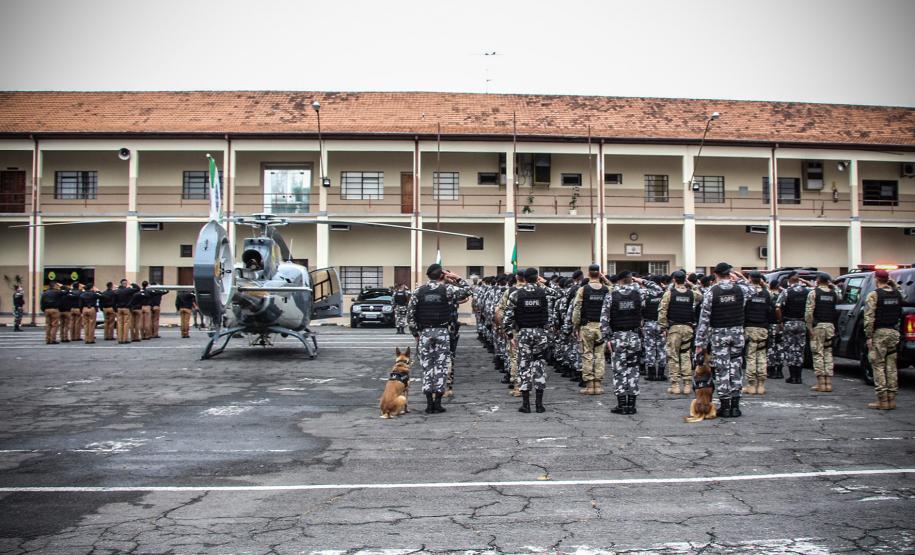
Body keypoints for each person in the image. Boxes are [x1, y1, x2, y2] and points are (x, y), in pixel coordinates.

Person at [407, 264, 471, 415]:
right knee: (441, 367)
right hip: (442, 331)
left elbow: (410, 316)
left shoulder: (418, 291)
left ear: (428, 276)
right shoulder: (447, 290)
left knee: (427, 367)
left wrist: (416, 334)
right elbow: (467, 291)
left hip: (425, 332)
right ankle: (438, 403)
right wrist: (457, 278)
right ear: (443, 275)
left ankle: (429, 404)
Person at [694, 263, 754, 418]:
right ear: (730, 274)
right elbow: (753, 289)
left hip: (719, 335)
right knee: (736, 369)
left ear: (715, 274)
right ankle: (735, 406)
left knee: (722, 370)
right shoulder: (741, 289)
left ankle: (725, 406)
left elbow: (704, 320)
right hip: (737, 334)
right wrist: (739, 278)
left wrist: (700, 344)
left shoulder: (711, 292)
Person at [600, 270, 662, 415]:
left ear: (619, 280)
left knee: (619, 371)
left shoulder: (611, 295)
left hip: (617, 337)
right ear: (630, 279)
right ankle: (632, 405)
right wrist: (640, 280)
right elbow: (658, 289)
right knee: (633, 370)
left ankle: (622, 405)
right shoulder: (639, 293)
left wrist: (607, 339)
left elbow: (604, 320)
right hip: (634, 336)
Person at [503, 267, 559, 413]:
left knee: (524, 366)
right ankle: (539, 405)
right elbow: (561, 294)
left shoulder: (516, 294)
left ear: (524, 278)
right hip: (541, 333)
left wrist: (510, 335)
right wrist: (544, 283)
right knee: (539, 365)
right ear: (537, 278)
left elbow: (507, 317)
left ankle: (526, 405)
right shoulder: (543, 291)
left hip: (523, 334)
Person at [863, 269, 905, 410]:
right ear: (888, 279)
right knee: (891, 366)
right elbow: (903, 295)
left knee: (878, 365)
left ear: (876, 279)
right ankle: (892, 398)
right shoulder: (897, 294)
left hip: (879, 333)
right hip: (893, 332)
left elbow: (869, 318)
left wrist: (869, 336)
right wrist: (893, 284)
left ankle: (882, 399)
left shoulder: (874, 295)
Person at [658, 270, 703, 395]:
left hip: (674, 329)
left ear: (674, 280)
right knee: (685, 355)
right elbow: (701, 295)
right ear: (685, 280)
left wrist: (663, 327)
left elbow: (662, 311)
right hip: (688, 328)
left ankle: (675, 385)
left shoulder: (669, 293)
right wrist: (692, 284)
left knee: (673, 356)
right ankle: (687, 385)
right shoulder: (691, 293)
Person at [572, 264, 610, 395]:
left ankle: (589, 386)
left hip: (587, 327)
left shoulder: (583, 290)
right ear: (599, 274)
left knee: (587, 355)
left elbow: (577, 309)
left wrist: (575, 326)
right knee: (599, 355)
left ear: (588, 274)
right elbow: (617, 291)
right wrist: (605, 280)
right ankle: (598, 385)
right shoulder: (607, 289)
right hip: (602, 327)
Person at [776, 272, 812, 385]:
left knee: (790, 349)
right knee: (800, 350)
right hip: (802, 322)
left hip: (789, 322)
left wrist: (780, 321)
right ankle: (799, 377)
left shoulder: (786, 292)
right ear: (799, 280)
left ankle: (792, 376)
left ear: (789, 280)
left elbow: (777, 307)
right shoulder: (808, 291)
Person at [806, 273, 838, 393]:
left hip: (818, 326)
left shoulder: (814, 293)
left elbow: (809, 312)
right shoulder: (834, 293)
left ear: (818, 280)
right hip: (830, 325)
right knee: (828, 353)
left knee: (818, 353)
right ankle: (828, 383)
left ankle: (821, 383)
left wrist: (809, 327)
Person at [743, 271, 774, 395]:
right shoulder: (767, 293)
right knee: (761, 356)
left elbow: (743, 310)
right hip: (763, 328)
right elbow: (771, 310)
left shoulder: (747, 293)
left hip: (750, 327)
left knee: (751, 357)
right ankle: (761, 385)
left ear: (750, 279)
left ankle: (751, 385)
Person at [641, 275, 667, 382]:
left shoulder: (645, 295)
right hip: (661, 325)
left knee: (650, 348)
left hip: (648, 324)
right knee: (661, 348)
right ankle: (661, 374)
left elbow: (641, 309)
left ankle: (651, 374)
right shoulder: (664, 294)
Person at [766, 279, 785, 379]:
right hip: (781, 325)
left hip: (771, 324)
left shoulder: (768, 295)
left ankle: (771, 370)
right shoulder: (783, 295)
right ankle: (780, 370)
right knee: (780, 347)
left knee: (771, 348)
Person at [114, 279, 135, 344]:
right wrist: (132, 283)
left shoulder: (116, 291)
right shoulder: (128, 290)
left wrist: (115, 309)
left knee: (119, 324)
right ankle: (125, 339)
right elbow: (137, 288)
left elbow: (114, 301)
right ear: (125, 284)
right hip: (126, 308)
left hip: (119, 308)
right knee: (126, 324)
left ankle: (120, 339)